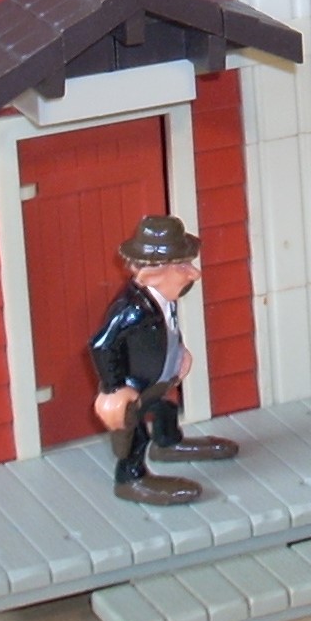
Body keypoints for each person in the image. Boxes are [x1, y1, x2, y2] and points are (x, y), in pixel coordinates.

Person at [88, 213, 238, 505]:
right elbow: (101, 344)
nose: (194, 273)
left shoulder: (163, 297)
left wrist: (178, 353)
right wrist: (114, 387)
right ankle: (131, 478)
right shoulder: (133, 309)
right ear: (154, 272)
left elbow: (165, 332)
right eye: (182, 266)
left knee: (167, 407)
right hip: (136, 385)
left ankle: (167, 442)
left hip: (159, 377)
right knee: (135, 432)